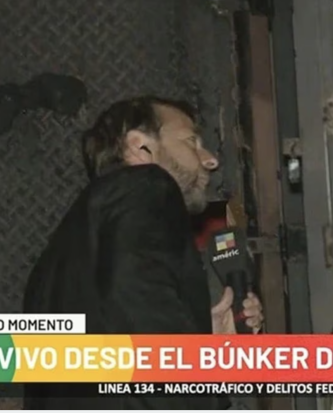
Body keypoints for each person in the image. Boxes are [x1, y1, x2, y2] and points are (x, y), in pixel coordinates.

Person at [23, 96, 263, 410]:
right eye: (190, 141)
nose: (209, 160)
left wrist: (204, 340)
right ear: (140, 147)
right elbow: (135, 293)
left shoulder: (58, 260)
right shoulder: (148, 184)